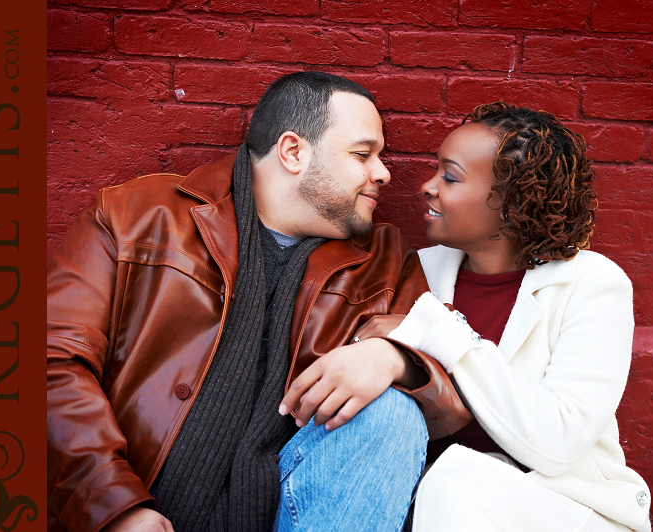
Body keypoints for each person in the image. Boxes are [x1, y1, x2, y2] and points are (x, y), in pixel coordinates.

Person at [46, 71, 469, 532]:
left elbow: (457, 387)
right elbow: (52, 362)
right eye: (362, 154)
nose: (383, 172)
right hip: (139, 507)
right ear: (292, 152)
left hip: (292, 511)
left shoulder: (385, 262)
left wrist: (395, 359)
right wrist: (114, 508)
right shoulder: (136, 216)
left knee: (390, 413)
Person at [357, 102, 652, 531]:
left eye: (450, 176)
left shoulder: (592, 284)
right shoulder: (417, 269)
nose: (427, 186)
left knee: (457, 479)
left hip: (559, 508)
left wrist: (445, 333)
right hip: (429, 507)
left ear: (511, 203)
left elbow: (558, 441)